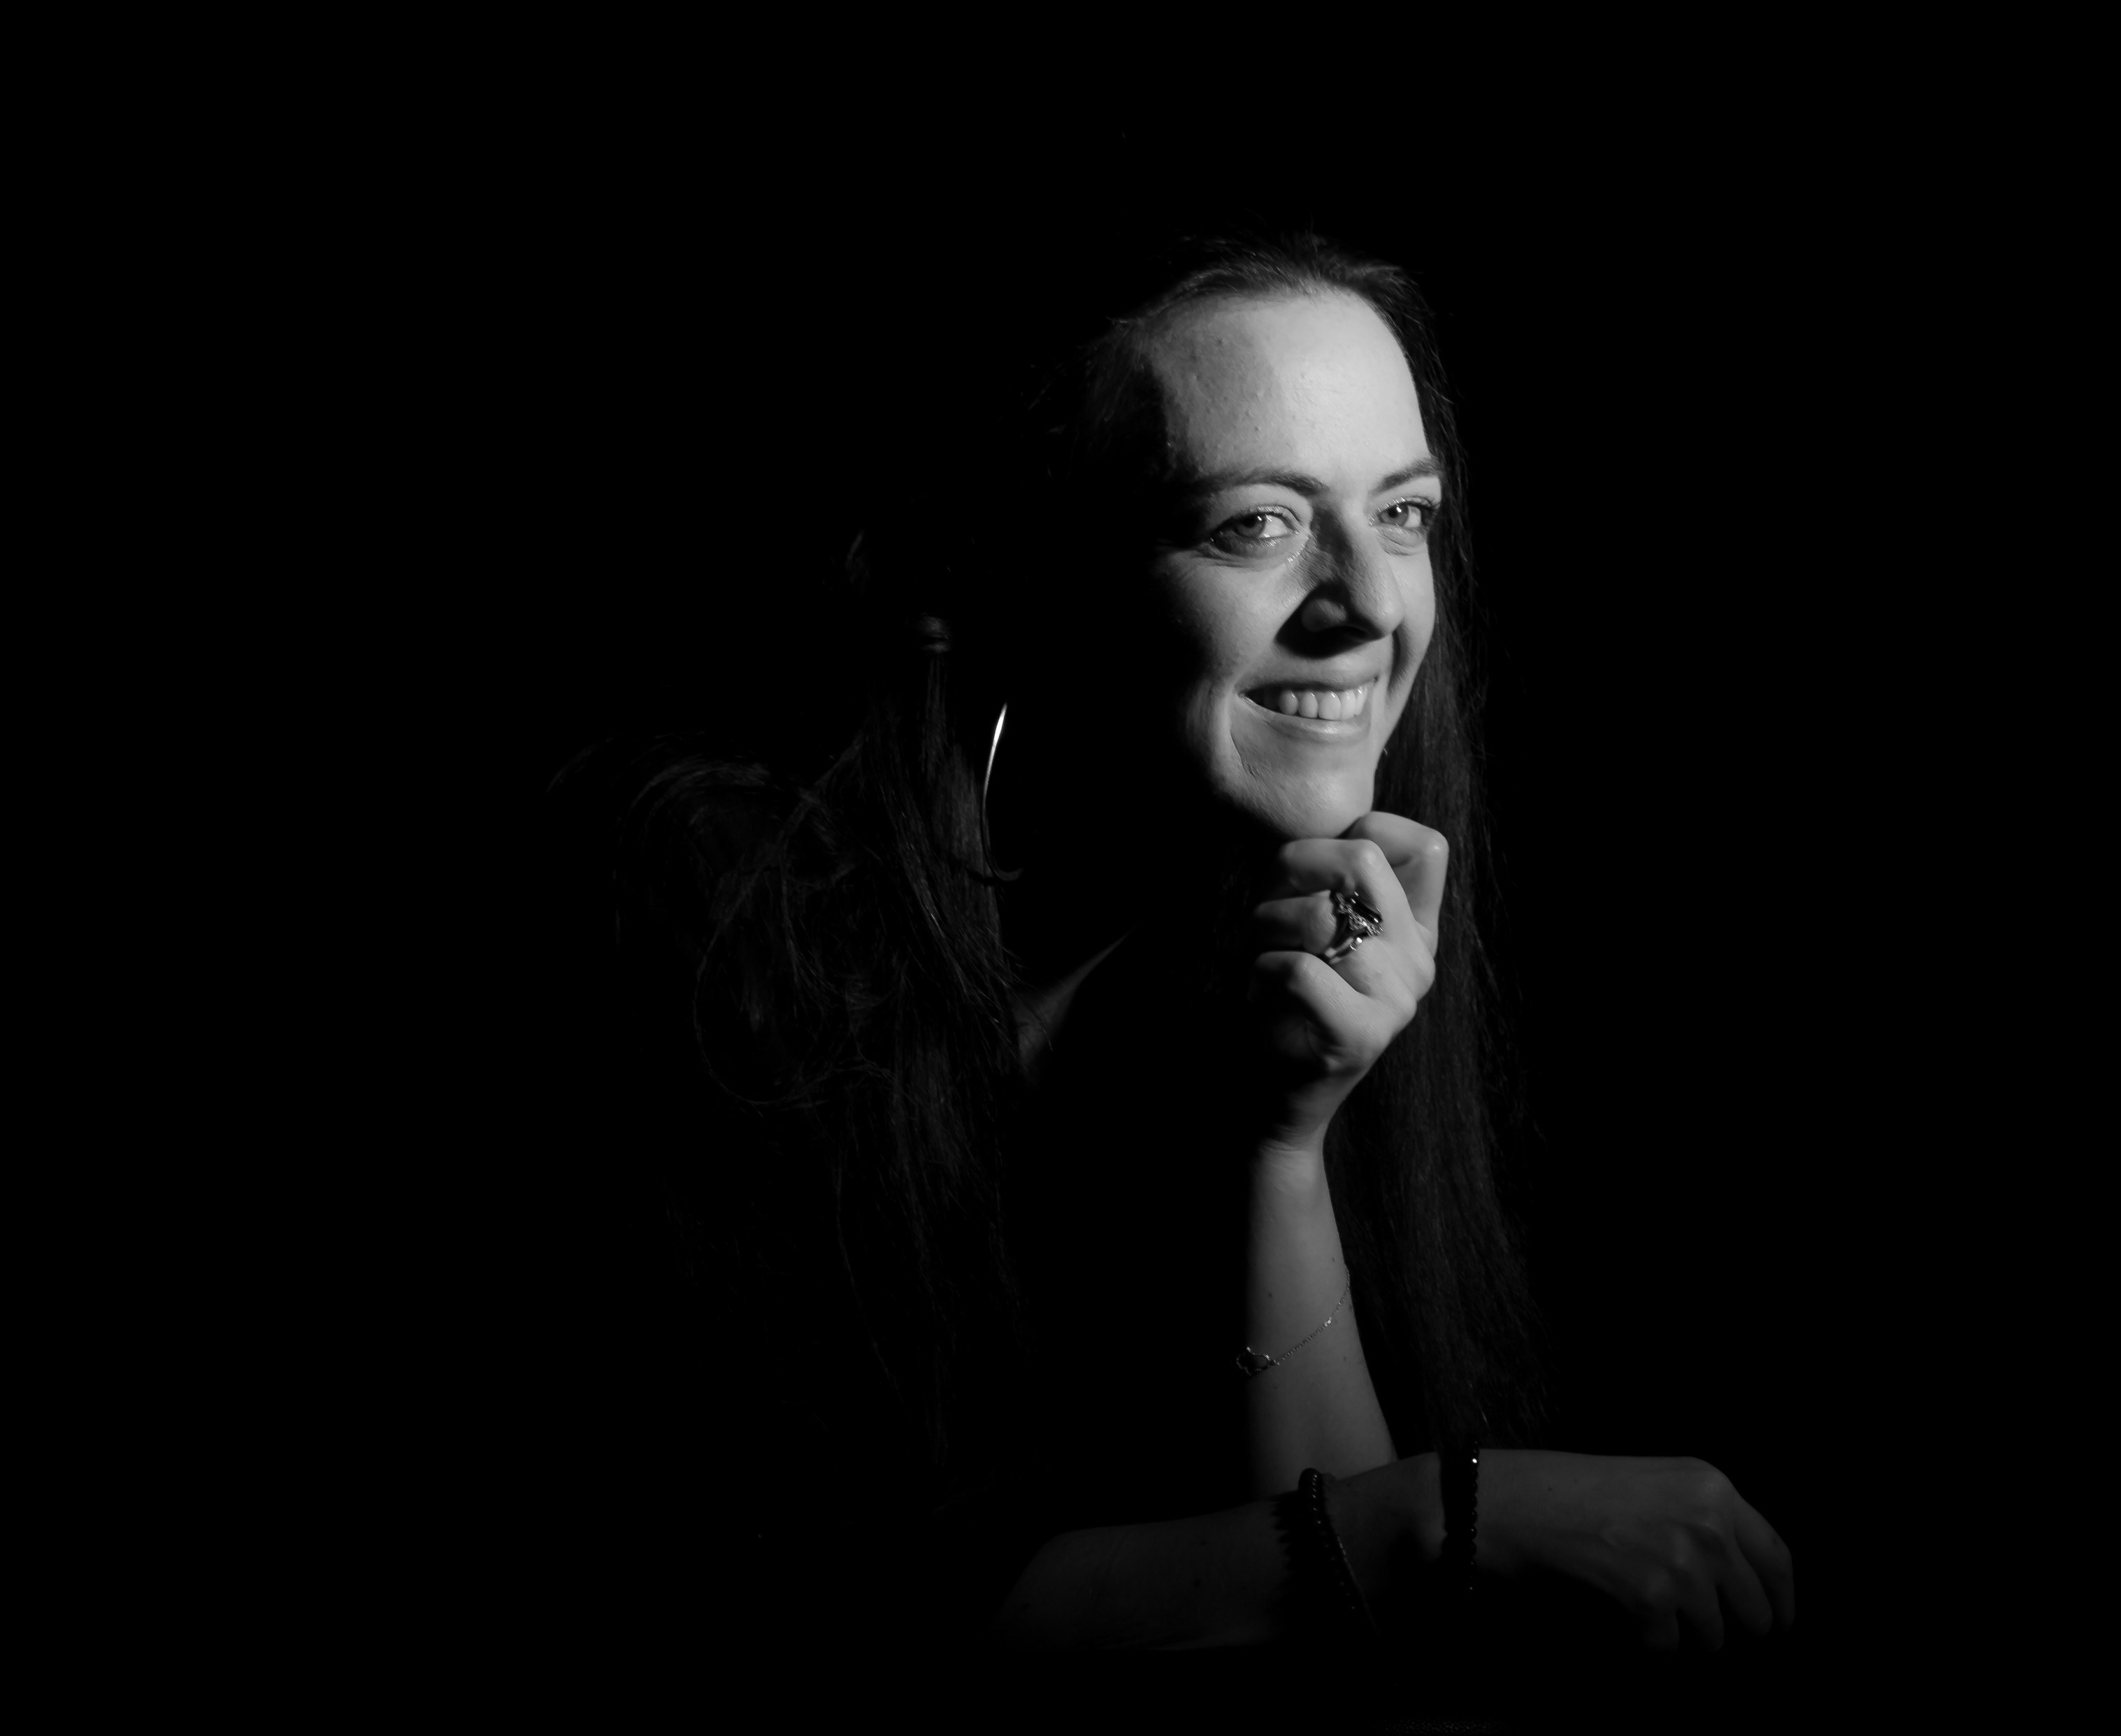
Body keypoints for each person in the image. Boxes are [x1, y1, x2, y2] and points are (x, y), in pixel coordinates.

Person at [542, 230, 1792, 1667]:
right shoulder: (704, 906)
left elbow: (1346, 1668)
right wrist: (1436, 1516)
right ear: (1011, 574)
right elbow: (795, 1627)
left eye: (1402, 514)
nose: (1372, 608)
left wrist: (1281, 1145)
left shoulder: (1289, 948)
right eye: (1255, 525)